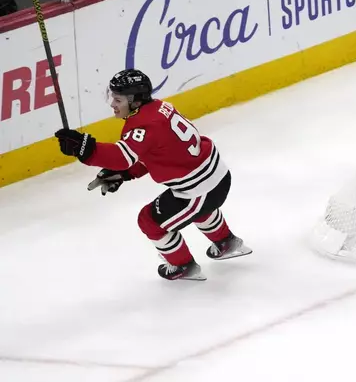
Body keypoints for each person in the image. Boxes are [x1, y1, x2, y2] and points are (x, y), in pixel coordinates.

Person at [54, 69, 251, 281]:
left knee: (150, 221)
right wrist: (125, 174)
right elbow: (157, 155)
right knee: (197, 209)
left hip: (199, 190)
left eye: (118, 99)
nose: (112, 104)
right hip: (215, 177)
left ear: (135, 101)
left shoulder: (144, 125)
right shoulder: (159, 108)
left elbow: (122, 157)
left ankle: (182, 266)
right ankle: (226, 242)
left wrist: (84, 148)